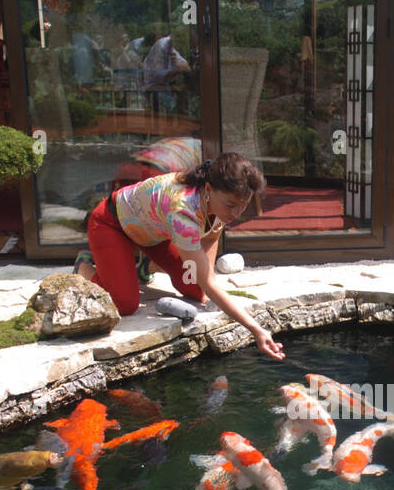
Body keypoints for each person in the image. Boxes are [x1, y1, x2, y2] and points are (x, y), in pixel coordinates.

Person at [80, 152, 285, 360]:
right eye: (231, 205)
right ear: (207, 190)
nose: (236, 213)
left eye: (243, 205)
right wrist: (256, 329)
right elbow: (210, 284)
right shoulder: (183, 212)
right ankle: (85, 267)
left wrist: (206, 282)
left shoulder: (218, 202)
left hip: (153, 233)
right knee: (124, 304)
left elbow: (212, 236)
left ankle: (144, 266)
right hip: (112, 224)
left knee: (194, 288)